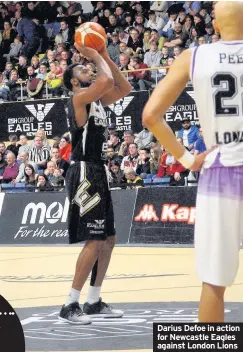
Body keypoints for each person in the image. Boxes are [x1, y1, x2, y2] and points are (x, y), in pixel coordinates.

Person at [142, 1, 243, 322]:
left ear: (214, 26)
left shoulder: (195, 56)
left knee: (214, 282)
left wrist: (187, 158)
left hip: (219, 171)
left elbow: (150, 116)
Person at [60, 41, 131, 324]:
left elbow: (123, 87)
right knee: (93, 238)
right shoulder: (78, 99)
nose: (87, 68)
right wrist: (95, 55)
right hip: (84, 172)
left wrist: (103, 56)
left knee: (108, 238)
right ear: (73, 81)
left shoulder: (97, 101)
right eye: (81, 68)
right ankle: (69, 304)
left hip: (98, 170)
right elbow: (106, 80)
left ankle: (93, 300)